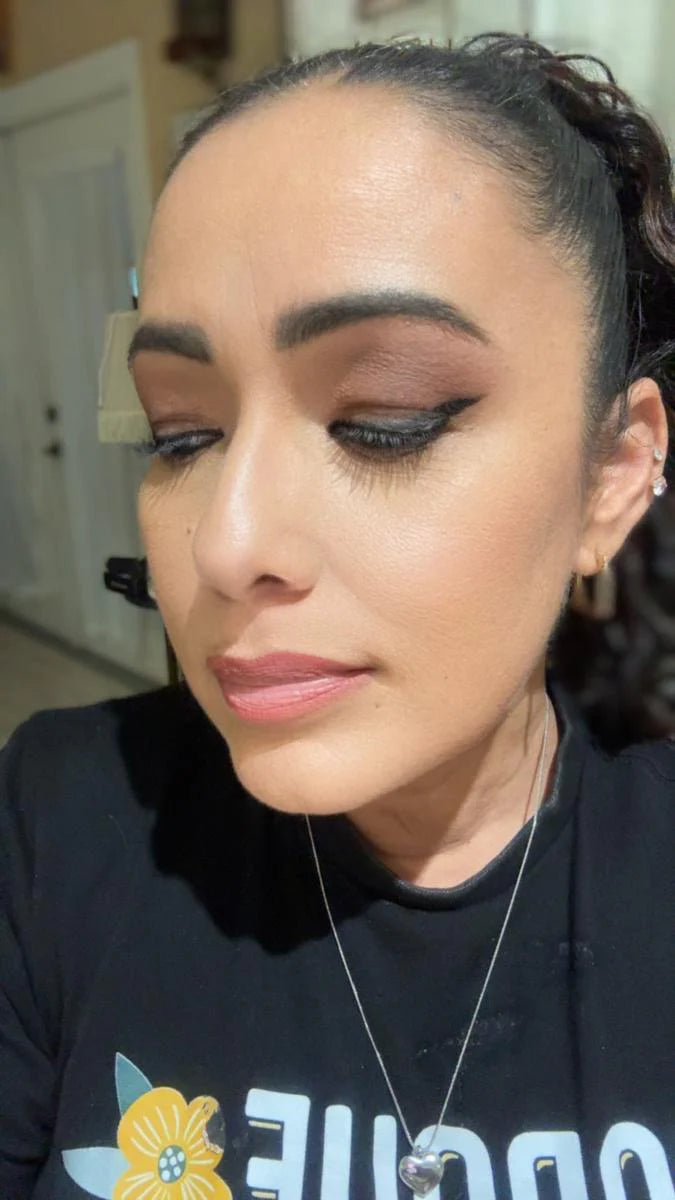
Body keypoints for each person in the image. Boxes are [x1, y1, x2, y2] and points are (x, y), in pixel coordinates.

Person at [1, 31, 673, 1200]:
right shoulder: (57, 824)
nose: (226, 545)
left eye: (384, 422)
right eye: (182, 436)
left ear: (612, 474)